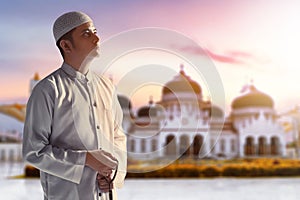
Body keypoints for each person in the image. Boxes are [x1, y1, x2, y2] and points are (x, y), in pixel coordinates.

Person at [22, 11, 127, 200]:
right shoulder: (48, 90)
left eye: (95, 31)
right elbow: (34, 150)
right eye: (86, 34)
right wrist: (86, 159)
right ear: (66, 45)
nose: (97, 38)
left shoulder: (107, 87)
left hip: (106, 194)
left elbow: (118, 137)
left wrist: (113, 173)